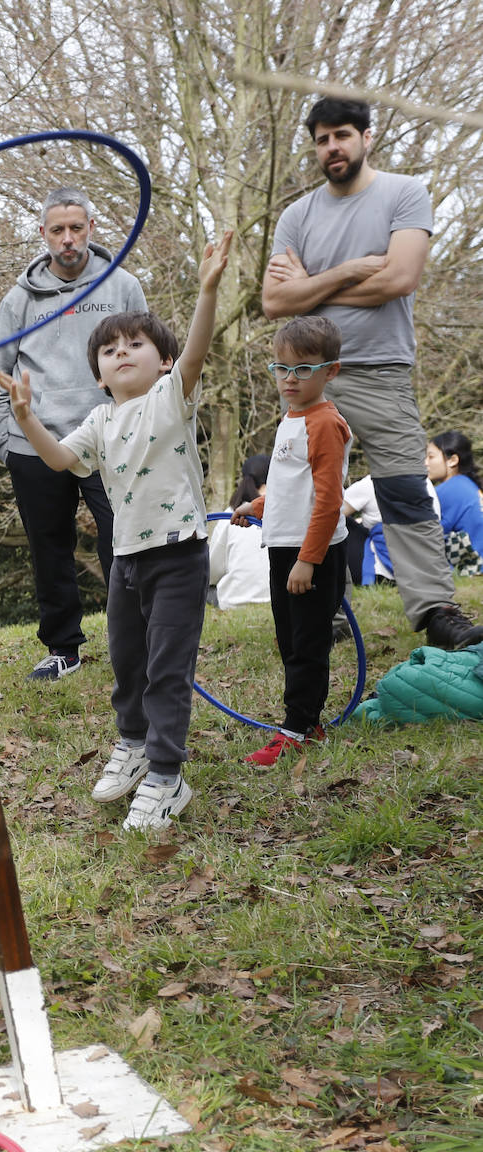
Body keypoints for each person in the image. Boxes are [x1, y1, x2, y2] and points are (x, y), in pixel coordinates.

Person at [0, 231, 233, 832]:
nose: (122, 352)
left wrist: (207, 290)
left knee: (166, 668)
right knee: (128, 662)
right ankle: (132, 744)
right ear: (98, 374)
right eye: (110, 350)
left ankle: (166, 775)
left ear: (162, 361)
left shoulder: (170, 400)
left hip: (178, 556)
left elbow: (199, 351)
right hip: (126, 561)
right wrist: (25, 416)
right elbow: (56, 461)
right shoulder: (99, 419)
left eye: (137, 344)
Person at [262, 96, 483, 650]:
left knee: (406, 488)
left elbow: (400, 279)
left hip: (380, 369)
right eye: (321, 139)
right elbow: (273, 301)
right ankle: (322, 609)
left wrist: (312, 284)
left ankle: (436, 610)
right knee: (307, 493)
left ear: (366, 137)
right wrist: (353, 268)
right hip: (309, 374)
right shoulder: (298, 215)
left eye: (341, 135)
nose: (332, 147)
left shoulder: (404, 193)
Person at [0, 187, 147, 679]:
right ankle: (64, 649)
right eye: (57, 230)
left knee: (123, 540)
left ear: (91, 230)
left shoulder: (121, 286)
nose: (67, 240)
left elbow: (149, 362)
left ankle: (138, 640)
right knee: (49, 547)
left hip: (109, 439)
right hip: (36, 442)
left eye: (75, 228)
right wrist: (5, 438)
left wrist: (140, 426)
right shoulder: (18, 300)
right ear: (43, 235)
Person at [232, 317, 352, 766]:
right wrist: (257, 508)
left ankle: (296, 728)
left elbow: (327, 500)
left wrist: (308, 560)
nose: (289, 379)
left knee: (307, 642)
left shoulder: (323, 423)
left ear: (330, 371)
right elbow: (289, 488)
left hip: (311, 553)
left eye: (302, 369)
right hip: (286, 548)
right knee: (289, 637)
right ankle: (309, 720)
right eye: (280, 368)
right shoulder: (291, 418)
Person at [207, 454, 271, 608]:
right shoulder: (281, 511)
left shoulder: (230, 514)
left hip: (233, 599)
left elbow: (213, 570)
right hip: (274, 595)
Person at [426, 431, 483, 575]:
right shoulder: (467, 484)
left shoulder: (449, 489)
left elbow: (425, 531)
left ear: (452, 460)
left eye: (431, 457)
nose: (425, 463)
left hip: (473, 566)